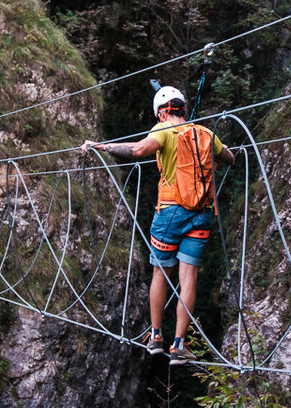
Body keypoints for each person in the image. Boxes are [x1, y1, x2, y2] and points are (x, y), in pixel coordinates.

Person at [83, 85, 236, 364]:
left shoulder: (163, 130)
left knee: (161, 273)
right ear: (182, 108)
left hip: (170, 213)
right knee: (188, 277)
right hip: (202, 214)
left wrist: (101, 146)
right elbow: (230, 158)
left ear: (162, 112)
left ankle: (155, 337)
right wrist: (217, 154)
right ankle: (179, 345)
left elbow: (140, 150)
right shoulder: (205, 134)